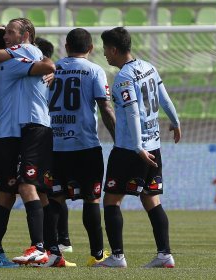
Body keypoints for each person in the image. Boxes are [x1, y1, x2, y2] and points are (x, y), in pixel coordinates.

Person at [95, 27, 181, 268]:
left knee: (111, 200)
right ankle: (164, 255)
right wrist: (175, 122)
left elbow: (132, 112)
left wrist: (136, 146)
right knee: (151, 199)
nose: (105, 55)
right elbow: (164, 98)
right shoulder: (149, 67)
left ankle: (117, 257)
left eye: (105, 50)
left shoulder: (124, 77)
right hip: (153, 145)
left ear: (114, 49)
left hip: (130, 149)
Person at [0, 18, 60, 266]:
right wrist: (51, 67)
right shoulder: (14, 62)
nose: (6, 37)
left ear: (25, 36)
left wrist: (50, 67)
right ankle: (41, 249)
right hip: (8, 135)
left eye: (10, 33)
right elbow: (46, 64)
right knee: (13, 193)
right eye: (4, 35)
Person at [43, 28, 116, 267]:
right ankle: (97, 254)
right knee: (91, 199)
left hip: (55, 145)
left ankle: (52, 253)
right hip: (85, 145)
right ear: (91, 48)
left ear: (66, 46)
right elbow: (105, 108)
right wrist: (120, 139)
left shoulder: (51, 68)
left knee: (55, 198)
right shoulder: (94, 70)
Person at [34, 36, 73, 253]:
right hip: (56, 137)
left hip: (48, 138)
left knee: (50, 193)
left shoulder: (48, 73)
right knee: (53, 193)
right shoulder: (52, 72)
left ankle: (56, 241)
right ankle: (61, 240)